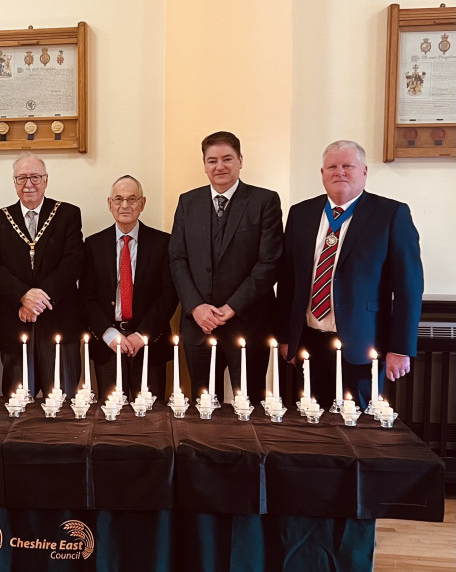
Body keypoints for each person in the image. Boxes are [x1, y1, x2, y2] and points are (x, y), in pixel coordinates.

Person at [277, 140, 423, 407]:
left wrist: (400, 348)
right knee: (309, 425)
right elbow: (288, 281)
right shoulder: (301, 214)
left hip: (362, 345)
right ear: (322, 173)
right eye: (332, 166)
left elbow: (408, 287)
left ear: (364, 171)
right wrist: (287, 338)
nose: (339, 172)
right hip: (308, 341)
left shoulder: (390, 214)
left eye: (348, 166)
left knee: (358, 430)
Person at [169, 131, 283, 404]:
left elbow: (269, 262)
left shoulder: (264, 201)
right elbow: (177, 259)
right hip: (199, 325)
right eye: (212, 160)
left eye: (227, 158)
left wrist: (230, 308)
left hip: (249, 324)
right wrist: (196, 307)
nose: (219, 166)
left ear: (240, 160)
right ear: (204, 165)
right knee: (203, 406)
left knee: (250, 406)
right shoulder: (188, 202)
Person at [0, 154, 84, 397]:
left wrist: (37, 302)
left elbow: (73, 262)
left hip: (58, 320)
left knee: (62, 404)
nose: (29, 183)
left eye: (35, 177)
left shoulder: (67, 214)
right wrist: (23, 296)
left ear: (46, 180)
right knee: (17, 406)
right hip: (16, 322)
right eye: (22, 178)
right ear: (14, 182)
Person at [81, 175, 178, 401]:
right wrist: (109, 334)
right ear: (110, 203)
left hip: (150, 342)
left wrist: (142, 334)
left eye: (132, 199)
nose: (125, 205)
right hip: (108, 343)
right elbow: (86, 298)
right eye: (119, 199)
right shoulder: (93, 245)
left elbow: (169, 294)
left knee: (151, 417)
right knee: (112, 419)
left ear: (142, 203)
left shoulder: (163, 243)